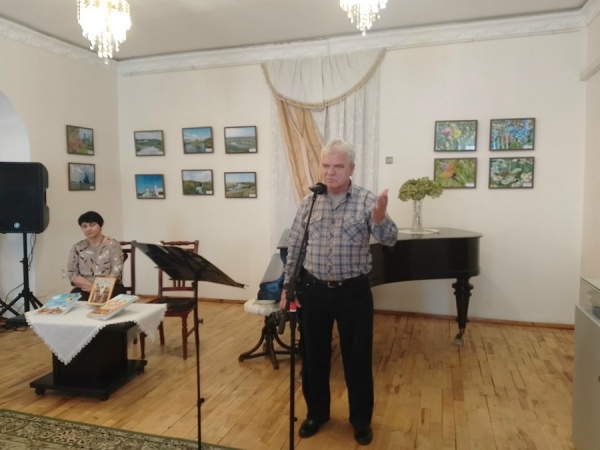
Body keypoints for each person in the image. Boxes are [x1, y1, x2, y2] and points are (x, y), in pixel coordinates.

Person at [280, 139, 398, 446]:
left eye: (338, 166)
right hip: (314, 290)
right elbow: (296, 246)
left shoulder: (366, 200)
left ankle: (360, 420)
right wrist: (287, 286)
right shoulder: (310, 202)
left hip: (353, 293)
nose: (330, 172)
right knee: (313, 357)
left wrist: (380, 219)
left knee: (357, 359)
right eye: (326, 165)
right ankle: (316, 414)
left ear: (351, 168)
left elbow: (390, 239)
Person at [67, 211, 126, 301]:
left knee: (109, 296)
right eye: (84, 226)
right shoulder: (77, 247)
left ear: (100, 226)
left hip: (110, 286)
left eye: (92, 225)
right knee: (75, 298)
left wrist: (98, 288)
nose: (88, 229)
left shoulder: (113, 244)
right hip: (85, 287)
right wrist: (91, 287)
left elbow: (116, 272)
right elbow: (72, 274)